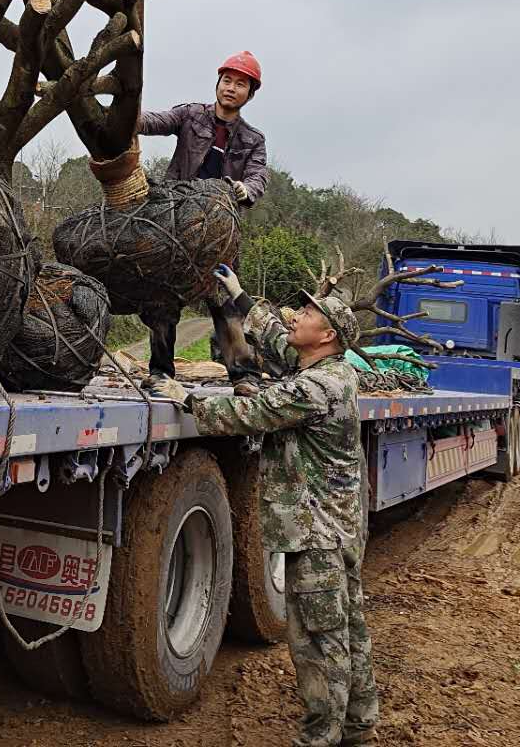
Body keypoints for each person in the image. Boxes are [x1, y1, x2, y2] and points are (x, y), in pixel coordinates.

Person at [151, 267, 380, 747]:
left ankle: (323, 736)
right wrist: (239, 298)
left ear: (329, 335)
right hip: (335, 528)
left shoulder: (318, 387)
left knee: (319, 640)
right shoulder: (326, 371)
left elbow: (248, 414)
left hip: (317, 532)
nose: (298, 314)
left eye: (310, 312)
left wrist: (184, 398)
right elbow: (277, 341)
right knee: (347, 626)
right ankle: (359, 722)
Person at [136, 51, 268, 207]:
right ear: (218, 84)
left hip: (219, 217)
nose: (231, 88)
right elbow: (156, 121)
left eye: (240, 84)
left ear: (250, 94)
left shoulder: (254, 140)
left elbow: (258, 175)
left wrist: (246, 189)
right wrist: (128, 120)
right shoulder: (190, 114)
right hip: (173, 208)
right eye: (227, 81)